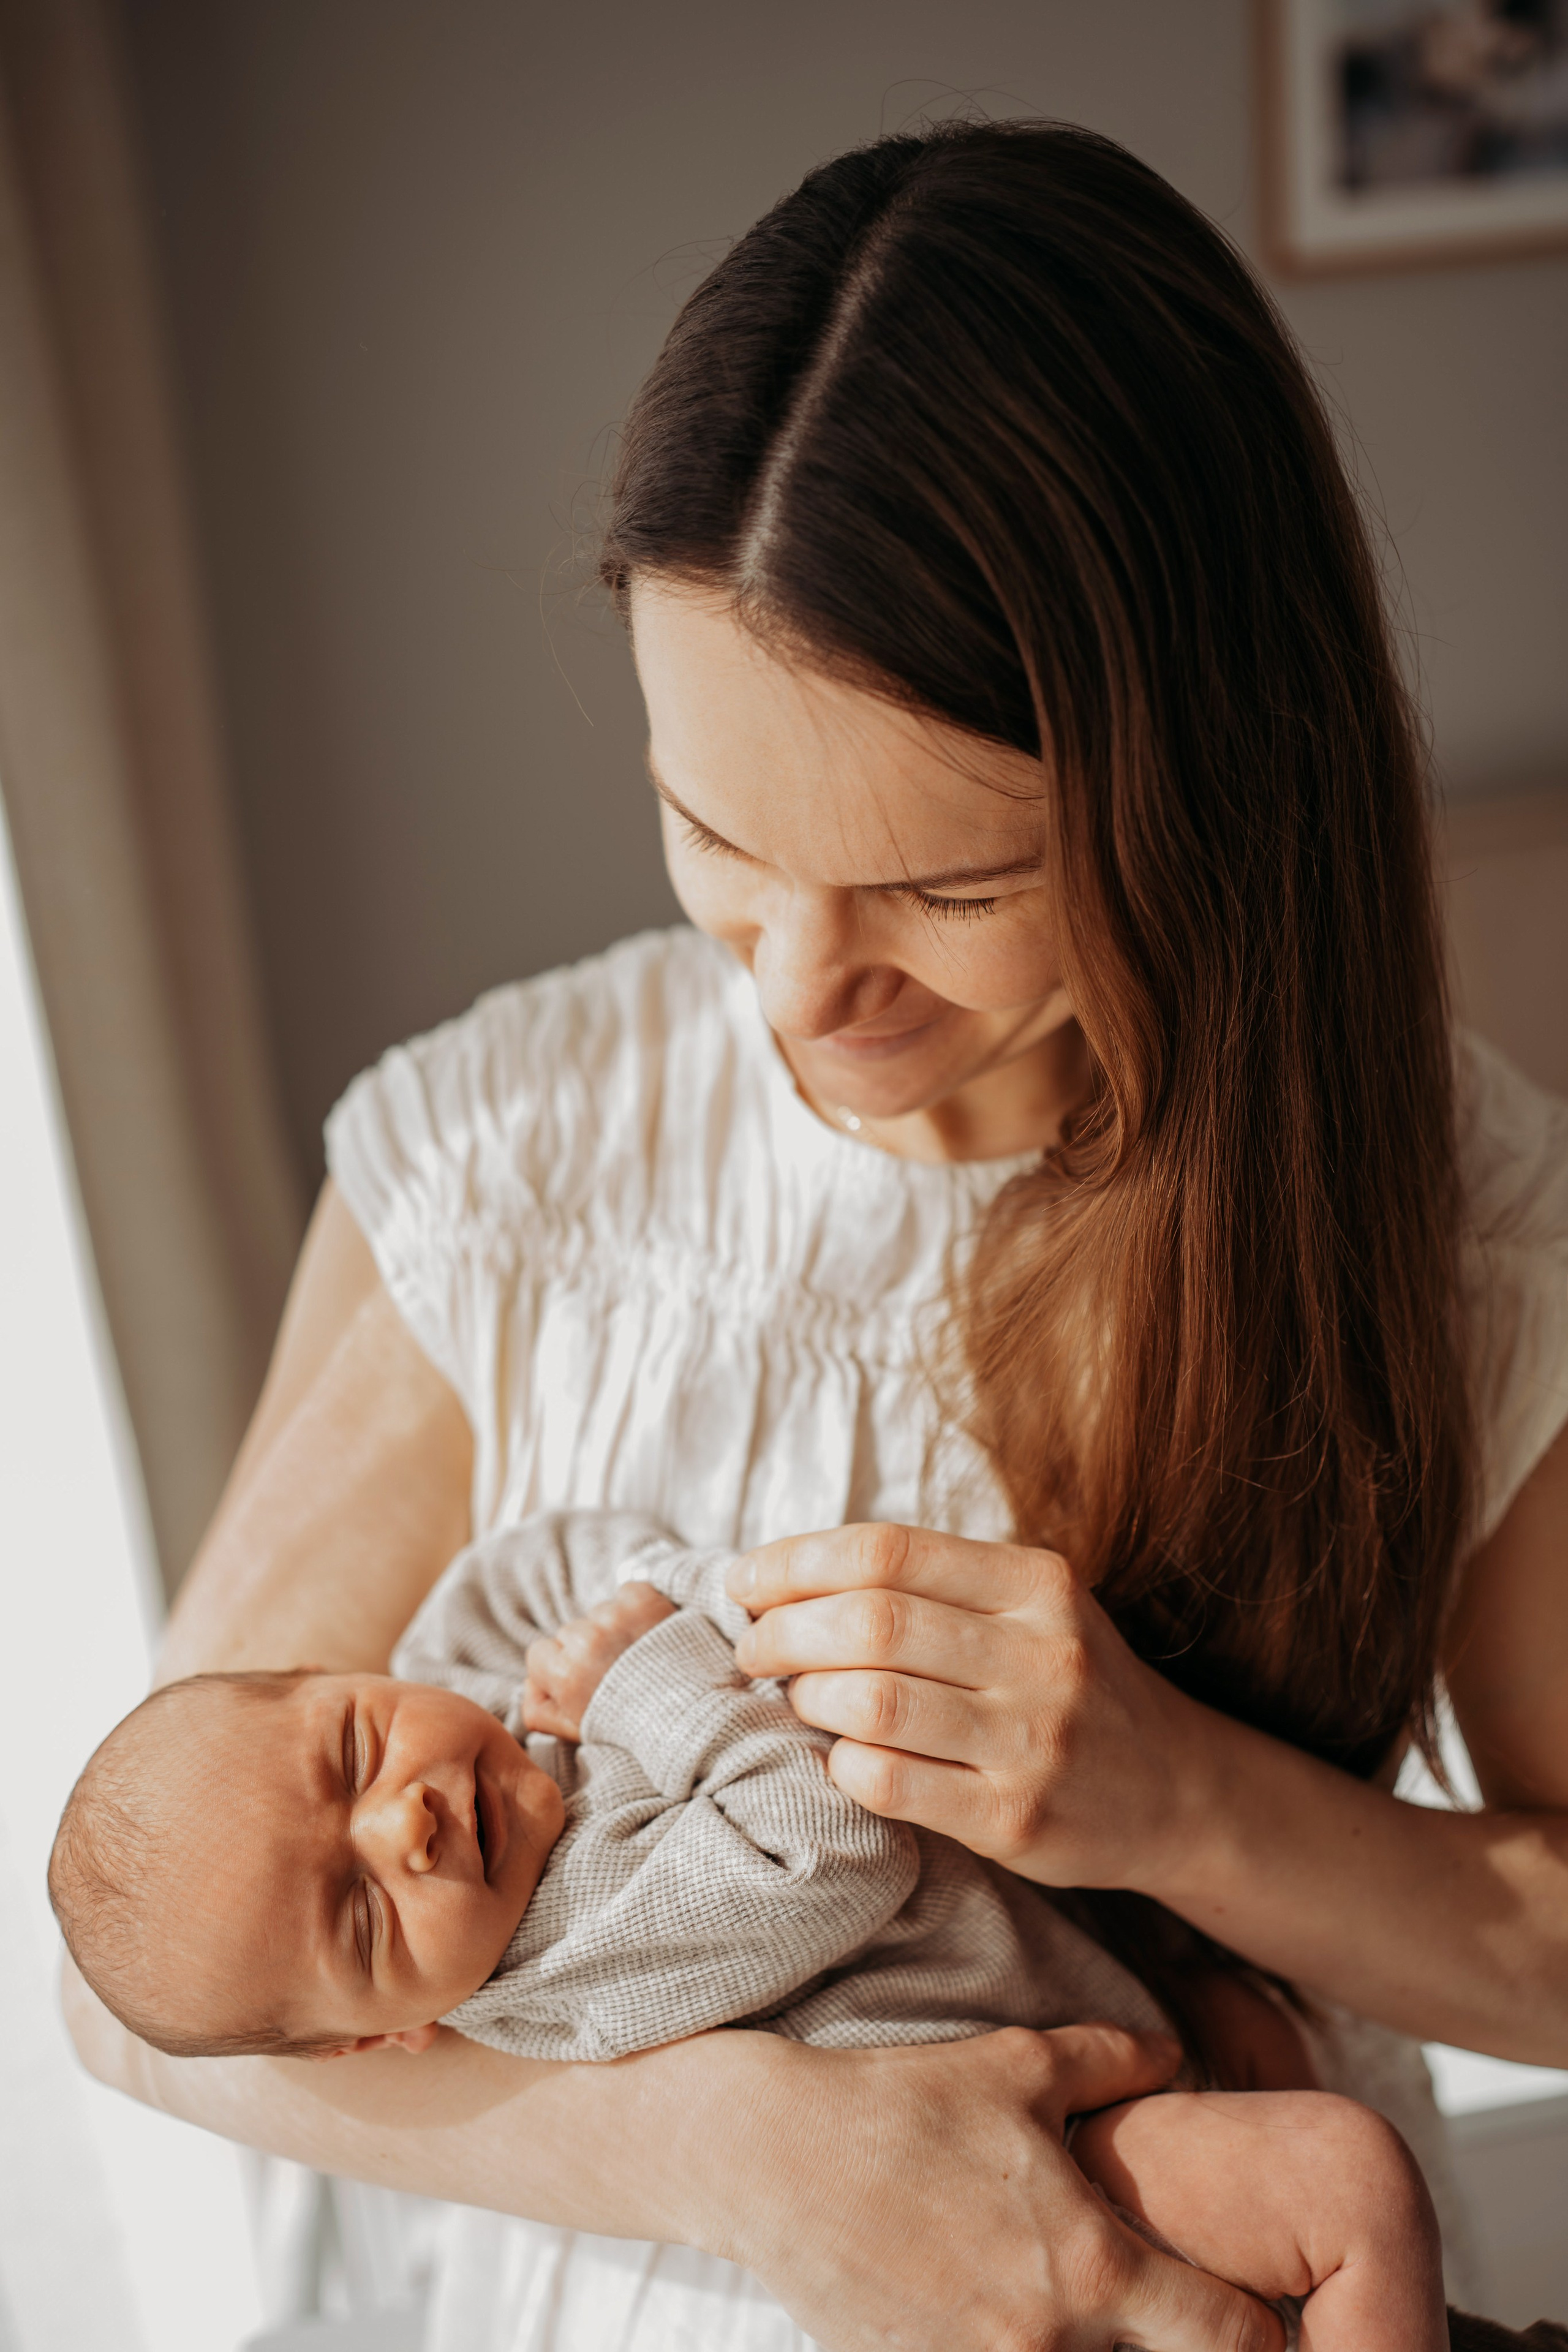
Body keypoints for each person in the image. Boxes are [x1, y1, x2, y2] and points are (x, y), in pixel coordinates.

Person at [62, 121, 1568, 2352]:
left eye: (946, 889)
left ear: (1207, 800)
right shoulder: (504, 1164)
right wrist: (738, 2149)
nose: (799, 993)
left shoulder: (1453, 1231)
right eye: (714, 835)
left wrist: (1183, 1800)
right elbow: (139, 2002)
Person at [54, 1513, 1452, 2346]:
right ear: (392, 2035)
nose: (401, 1825)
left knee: (1286, 2073)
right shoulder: (565, 1956)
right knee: (1347, 2183)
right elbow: (826, 1854)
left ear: (344, 1676)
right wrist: (645, 1672)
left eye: (356, 1746)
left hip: (1113, 1995)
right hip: (1042, 2152)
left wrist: (618, 1618)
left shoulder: (480, 1711)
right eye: (361, 1914)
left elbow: (546, 1560)